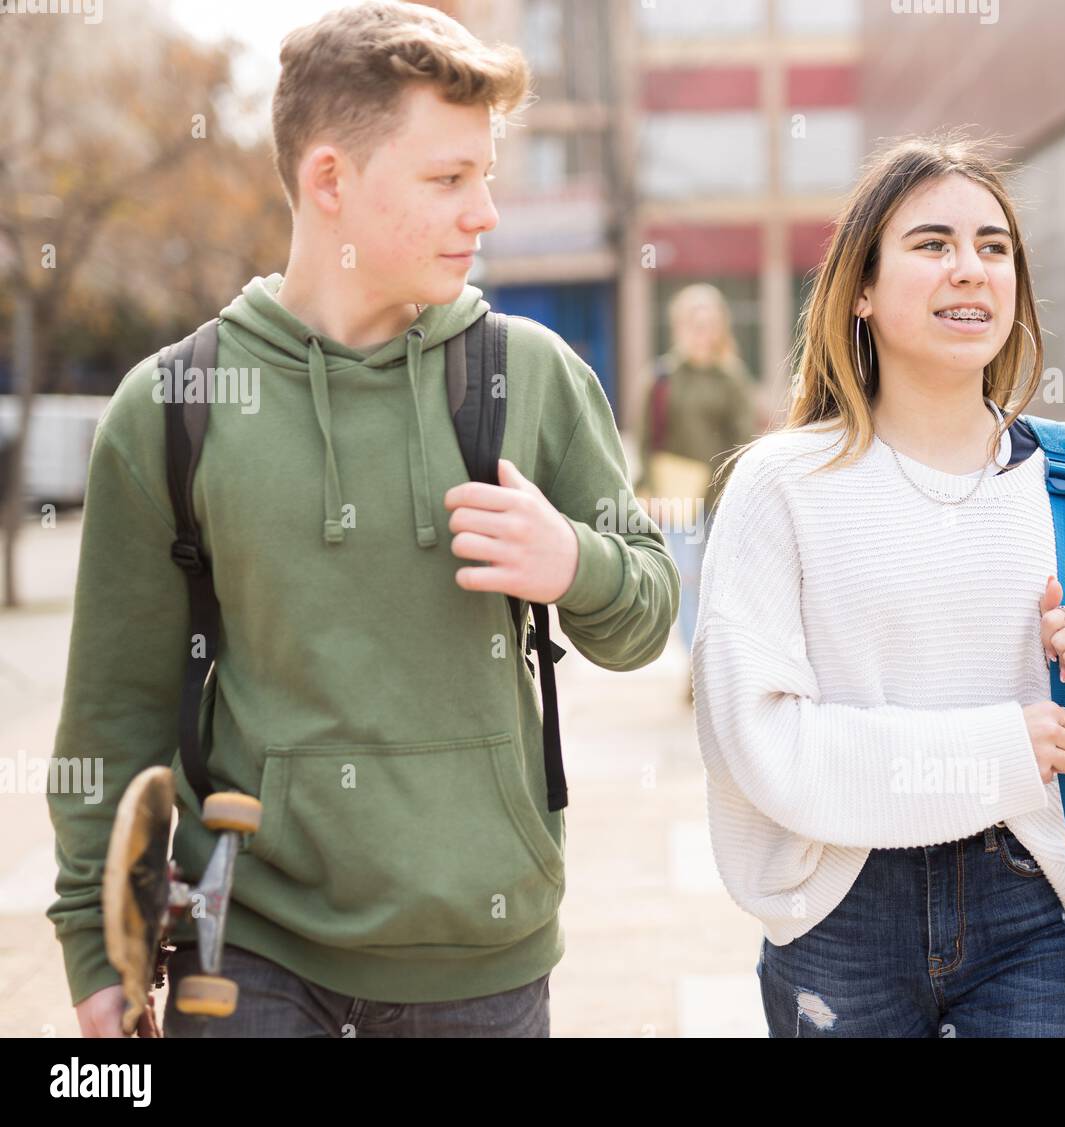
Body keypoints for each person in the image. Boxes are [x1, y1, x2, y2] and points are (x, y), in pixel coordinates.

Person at [48, 0, 679, 1039]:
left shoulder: (531, 375)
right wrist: (93, 944)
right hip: (244, 953)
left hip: (481, 957)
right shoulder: (172, 407)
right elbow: (112, 711)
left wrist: (574, 564)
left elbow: (648, 614)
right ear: (329, 179)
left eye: (485, 174)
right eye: (447, 179)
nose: (484, 213)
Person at [691, 129, 1065, 1037]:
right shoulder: (780, 485)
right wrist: (995, 748)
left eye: (994, 249)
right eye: (932, 245)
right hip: (841, 906)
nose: (972, 269)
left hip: (1039, 903)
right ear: (861, 290)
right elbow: (758, 742)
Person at [634, 284, 755, 698]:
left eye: (709, 324)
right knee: (685, 580)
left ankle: (717, 659)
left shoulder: (731, 378)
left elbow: (745, 441)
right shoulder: (663, 378)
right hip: (679, 499)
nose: (701, 332)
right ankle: (695, 661)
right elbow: (649, 439)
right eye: (693, 323)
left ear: (720, 327)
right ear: (680, 327)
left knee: (717, 582)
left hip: (722, 497)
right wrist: (645, 487)